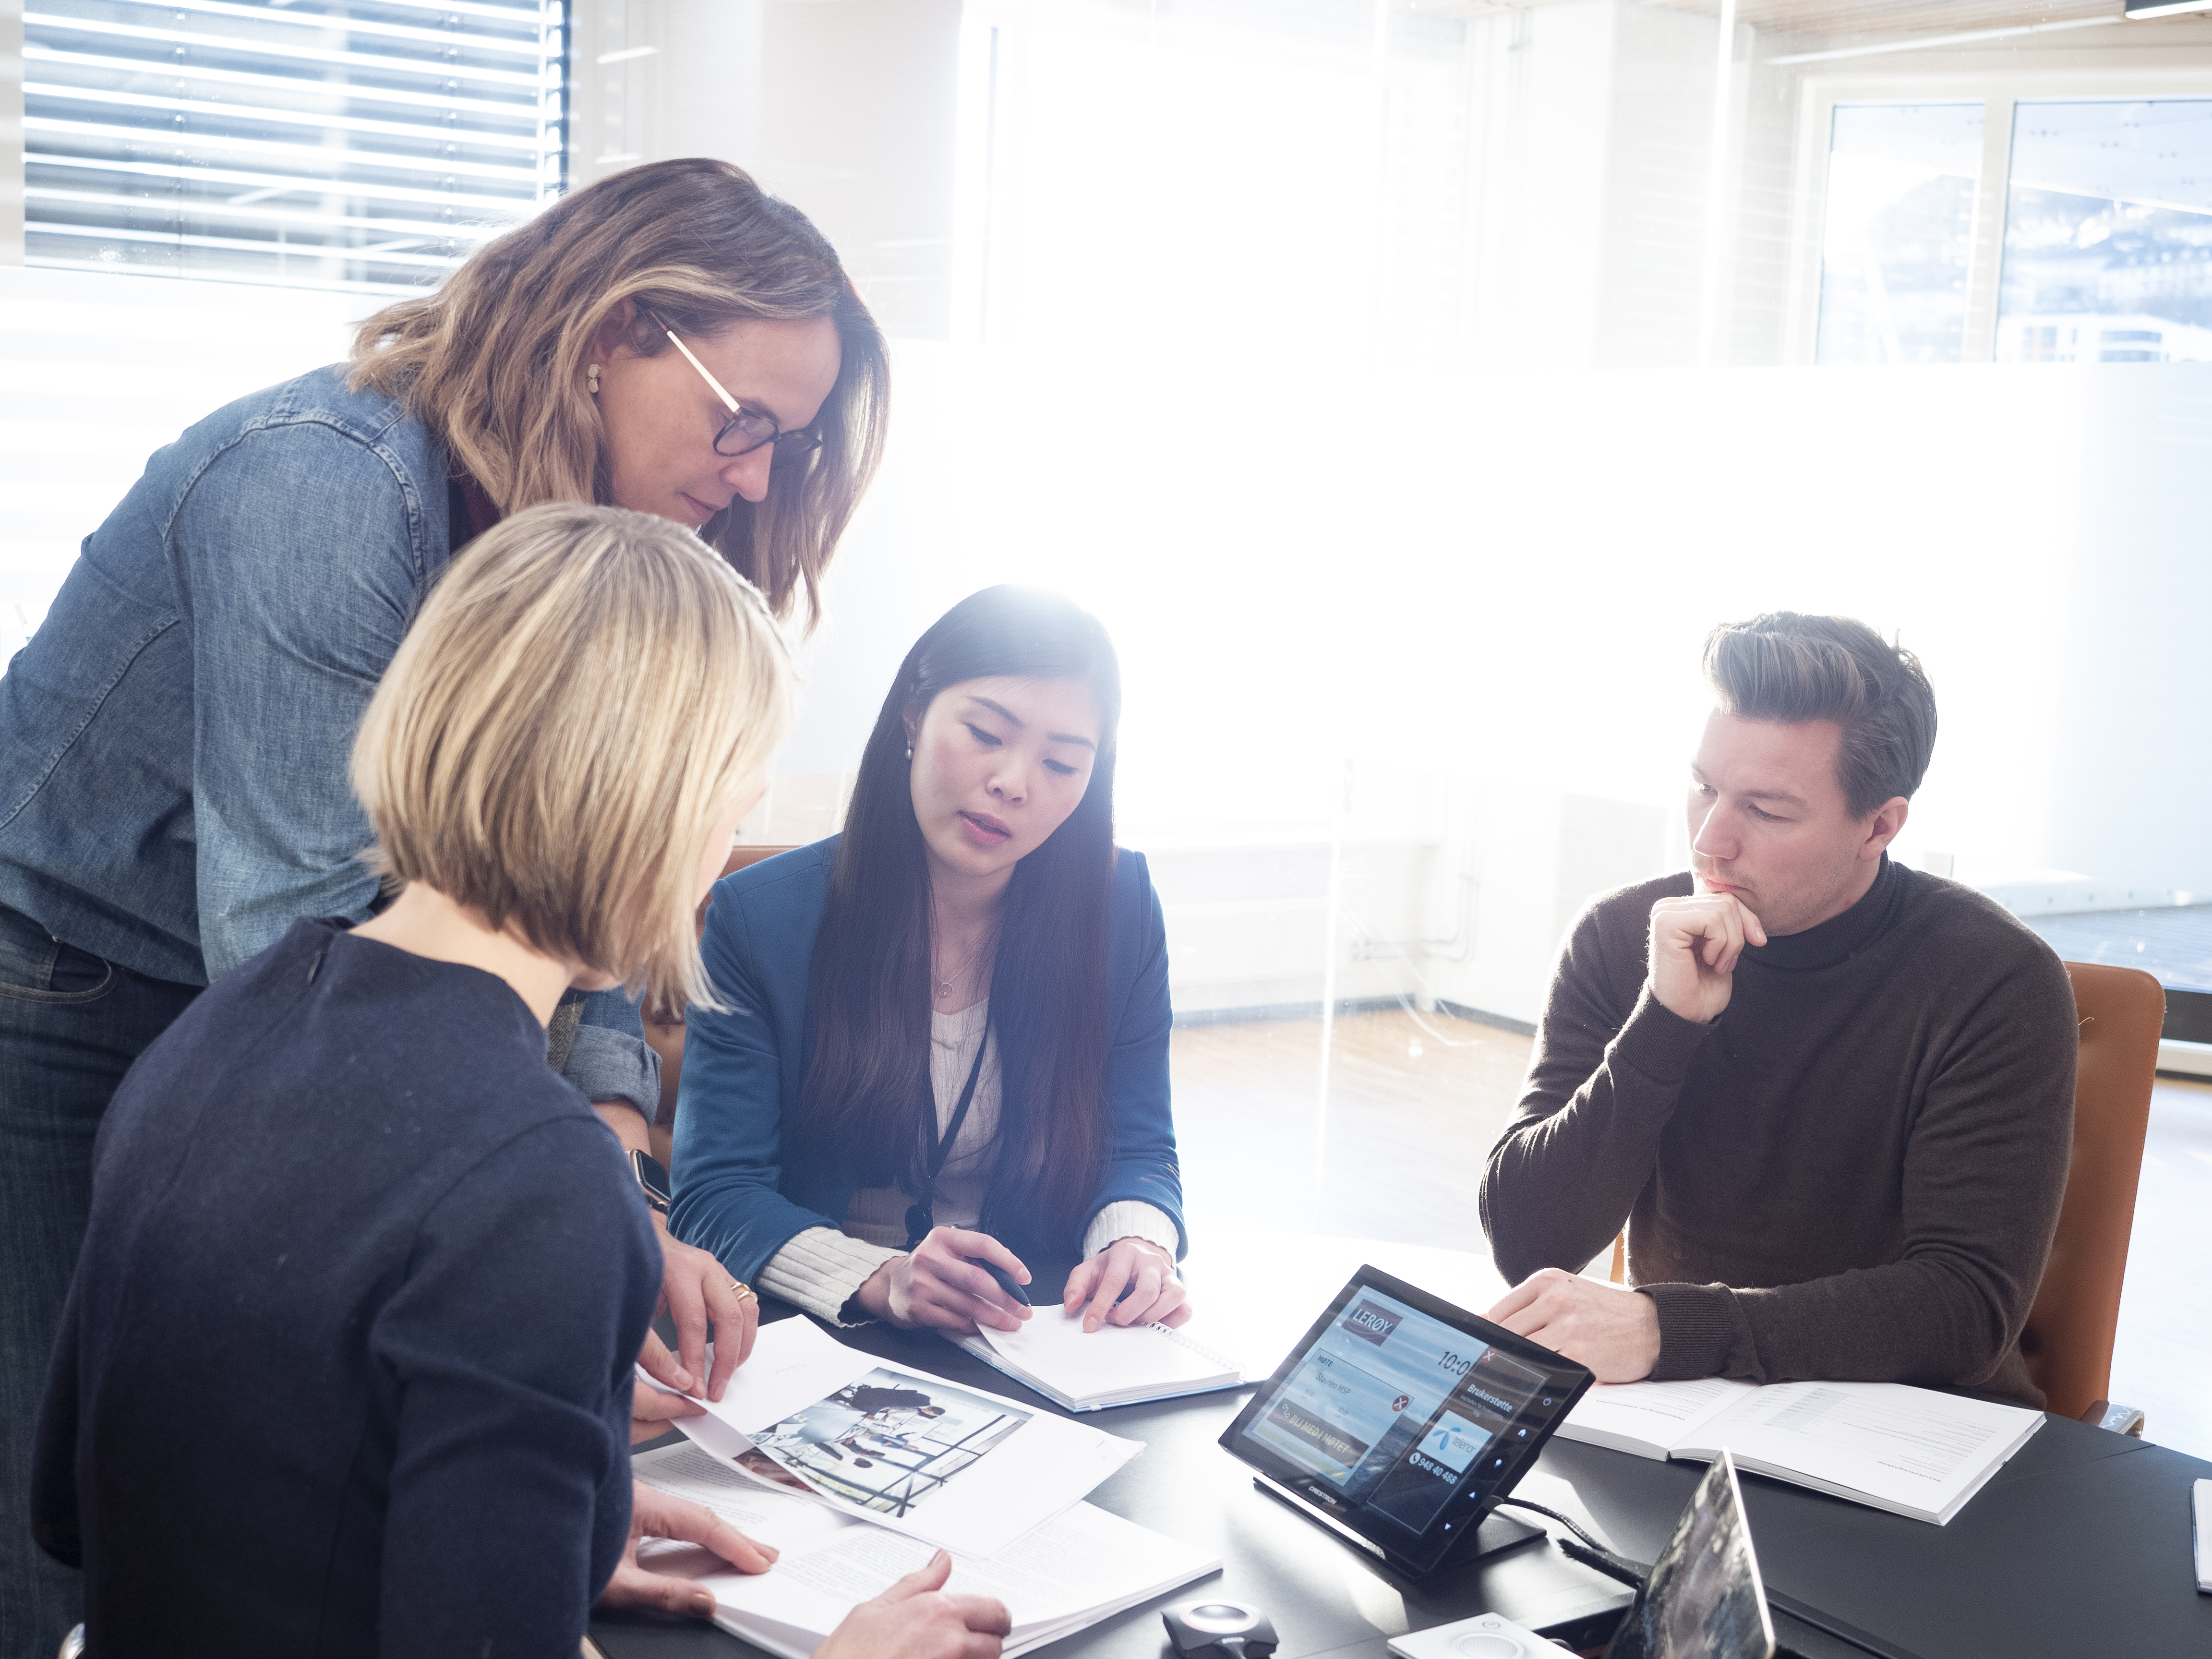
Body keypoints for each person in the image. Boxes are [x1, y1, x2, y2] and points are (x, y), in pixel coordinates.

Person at [0, 157, 888, 1655]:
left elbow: (493, 901)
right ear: (617, 332)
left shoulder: (229, 1073)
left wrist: (595, 1209)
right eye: (744, 424)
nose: (754, 476)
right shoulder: (320, 484)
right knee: (59, 1578)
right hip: (66, 987)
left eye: (785, 449)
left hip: (244, 1023)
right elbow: (303, 933)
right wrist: (560, 1236)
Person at [31, 504, 1008, 1659]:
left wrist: (543, 1530)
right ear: (658, 807)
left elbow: (75, 1505)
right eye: (731, 805)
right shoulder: (542, 1180)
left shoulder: (217, 1029)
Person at [1479, 613, 2076, 1407]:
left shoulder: (1994, 979)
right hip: (1682, 1412)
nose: (1710, 843)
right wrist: (1664, 1022)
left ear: (1880, 825)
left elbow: (1965, 1308)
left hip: (1906, 1433)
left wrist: (1672, 1329)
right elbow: (1529, 1241)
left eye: (1766, 811)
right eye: (1704, 788)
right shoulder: (1626, 936)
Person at [670, 586, 1189, 1337]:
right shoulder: (762, 918)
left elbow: (1138, 1145)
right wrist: (882, 1278)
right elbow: (716, 1192)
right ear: (913, 716)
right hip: (828, 1333)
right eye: (985, 733)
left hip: (1043, 1329)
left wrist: (1136, 1242)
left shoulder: (1121, 905)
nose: (1014, 781)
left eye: (1062, 763)